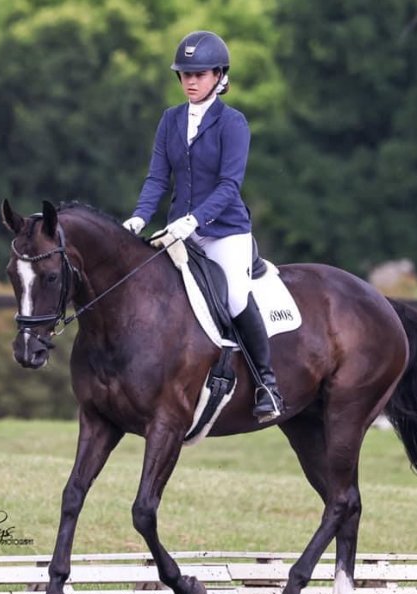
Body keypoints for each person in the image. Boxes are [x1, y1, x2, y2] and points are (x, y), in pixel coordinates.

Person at [123, 30, 284, 422]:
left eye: (200, 74)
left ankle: (266, 384)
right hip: (181, 231)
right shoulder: (170, 120)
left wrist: (194, 220)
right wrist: (140, 217)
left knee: (234, 299)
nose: (191, 81)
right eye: (184, 74)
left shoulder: (234, 124)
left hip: (225, 232)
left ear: (219, 76)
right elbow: (158, 179)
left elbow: (230, 186)